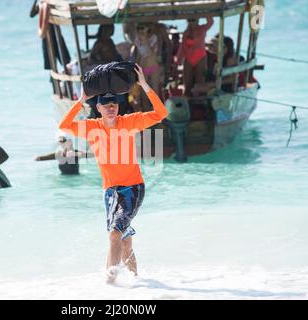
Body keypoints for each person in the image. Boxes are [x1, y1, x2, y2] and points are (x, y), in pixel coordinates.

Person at [58, 65, 168, 283]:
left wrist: (144, 85)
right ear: (98, 107)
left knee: (115, 234)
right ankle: (138, 283)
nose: (111, 108)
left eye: (114, 104)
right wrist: (81, 100)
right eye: (106, 105)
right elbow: (64, 125)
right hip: (110, 192)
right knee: (124, 240)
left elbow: (160, 113)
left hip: (133, 188)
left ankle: (110, 285)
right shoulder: (91, 127)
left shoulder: (129, 122)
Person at [175, 17, 214, 96]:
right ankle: (187, 100)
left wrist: (204, 13)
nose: (191, 22)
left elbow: (211, 22)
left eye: (193, 20)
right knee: (187, 83)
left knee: (200, 82)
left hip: (200, 58)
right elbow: (182, 48)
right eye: (189, 20)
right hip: (188, 58)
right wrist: (177, 62)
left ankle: (200, 102)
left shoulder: (202, 29)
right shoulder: (186, 33)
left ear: (198, 20)